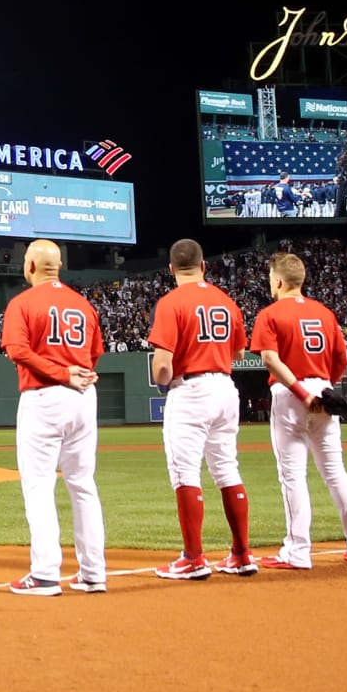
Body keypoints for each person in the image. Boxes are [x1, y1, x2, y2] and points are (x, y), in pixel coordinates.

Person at [250, 252, 347, 569]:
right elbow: (342, 362)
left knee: (293, 477)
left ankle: (297, 551)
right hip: (323, 389)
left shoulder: (271, 313)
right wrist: (323, 389)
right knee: (336, 474)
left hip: (292, 394)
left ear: (278, 281)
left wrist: (302, 392)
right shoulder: (325, 313)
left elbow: (270, 360)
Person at [0, 238, 106, 595]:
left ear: (30, 267)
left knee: (39, 485)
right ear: (58, 266)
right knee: (83, 485)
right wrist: (76, 374)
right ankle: (93, 573)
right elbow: (94, 355)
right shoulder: (83, 305)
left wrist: (60, 374)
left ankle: (45, 573)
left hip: (44, 396)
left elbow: (16, 350)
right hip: (83, 399)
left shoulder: (22, 303)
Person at [147, 238, 255, 580]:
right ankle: (241, 554)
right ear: (204, 265)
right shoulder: (226, 301)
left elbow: (162, 367)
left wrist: (166, 377)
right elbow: (238, 354)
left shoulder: (171, 302)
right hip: (225, 387)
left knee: (185, 473)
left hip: (191, 389)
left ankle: (193, 557)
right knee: (226, 469)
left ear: (171, 269)